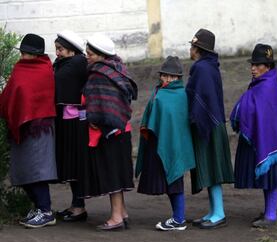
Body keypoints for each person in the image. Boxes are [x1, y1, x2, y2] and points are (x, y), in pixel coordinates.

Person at [230, 44, 277, 228]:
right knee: (267, 177)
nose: (253, 68)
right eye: (252, 64)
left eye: (258, 65)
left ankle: (271, 215)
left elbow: (256, 108)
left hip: (270, 140)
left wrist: (242, 108)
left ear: (268, 66)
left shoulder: (267, 85)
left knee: (270, 175)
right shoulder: (264, 83)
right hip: (265, 137)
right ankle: (268, 212)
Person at [0, 33, 57, 228]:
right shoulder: (20, 68)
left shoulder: (44, 69)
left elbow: (42, 96)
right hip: (21, 127)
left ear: (38, 55)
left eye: (28, 54)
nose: (24, 56)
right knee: (22, 170)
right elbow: (11, 92)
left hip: (40, 127)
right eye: (23, 52)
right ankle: (39, 207)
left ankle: (46, 211)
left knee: (38, 169)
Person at [81, 34, 137, 231]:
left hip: (109, 131)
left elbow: (99, 105)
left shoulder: (98, 74)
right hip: (123, 128)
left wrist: (95, 119)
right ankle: (122, 213)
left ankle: (115, 218)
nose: (86, 57)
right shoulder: (118, 68)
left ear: (101, 55)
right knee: (119, 172)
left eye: (90, 54)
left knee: (112, 173)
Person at [136, 56, 195, 231]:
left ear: (179, 78)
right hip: (158, 142)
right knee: (169, 181)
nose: (168, 79)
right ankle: (177, 217)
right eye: (165, 76)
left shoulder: (181, 95)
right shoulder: (158, 92)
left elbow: (180, 121)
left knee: (175, 178)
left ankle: (179, 219)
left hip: (175, 144)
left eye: (172, 77)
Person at [186, 29, 234, 229]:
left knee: (212, 168)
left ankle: (220, 213)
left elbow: (201, 98)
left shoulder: (202, 68)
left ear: (197, 49)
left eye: (192, 45)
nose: (189, 49)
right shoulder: (209, 66)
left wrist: (193, 117)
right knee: (209, 168)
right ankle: (214, 211)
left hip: (208, 125)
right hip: (213, 123)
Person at [53, 30, 89, 222]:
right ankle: (76, 205)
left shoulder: (76, 64)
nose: (57, 53)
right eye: (56, 49)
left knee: (76, 165)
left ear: (72, 51)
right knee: (71, 165)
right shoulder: (63, 64)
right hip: (66, 121)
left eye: (60, 49)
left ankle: (79, 207)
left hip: (76, 124)